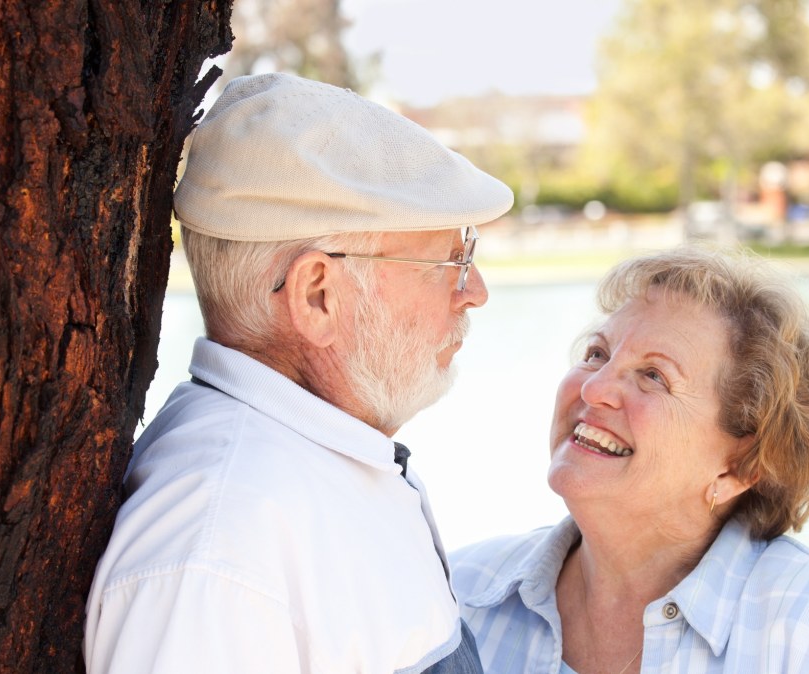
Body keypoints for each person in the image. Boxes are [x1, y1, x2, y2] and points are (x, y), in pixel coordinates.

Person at [83, 72, 512, 673]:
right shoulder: (219, 552)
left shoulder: (306, 466)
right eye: (449, 259)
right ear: (317, 295)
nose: (475, 292)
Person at [451, 247, 809, 673]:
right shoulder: (455, 595)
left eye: (653, 376)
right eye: (598, 353)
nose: (594, 389)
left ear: (741, 465)